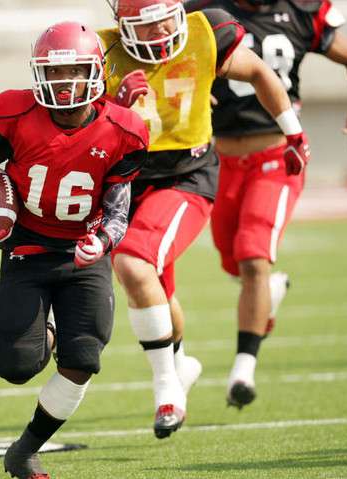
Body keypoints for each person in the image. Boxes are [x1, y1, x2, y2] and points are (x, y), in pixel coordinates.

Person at [99, 0, 311, 438]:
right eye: (146, 24)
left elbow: (258, 73)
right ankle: (181, 363)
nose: (159, 32)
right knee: (153, 288)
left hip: (187, 176)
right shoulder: (102, 52)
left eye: (164, 19)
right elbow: (82, 130)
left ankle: (167, 389)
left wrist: (293, 131)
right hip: (130, 184)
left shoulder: (204, 31)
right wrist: (113, 107)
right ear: (122, 24)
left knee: (134, 264)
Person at [0, 21, 148, 479]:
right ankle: (49, 333)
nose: (65, 84)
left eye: (75, 72)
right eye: (55, 74)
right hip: (28, 246)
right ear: (39, 74)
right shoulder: (13, 115)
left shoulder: (124, 130)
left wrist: (101, 240)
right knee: (18, 367)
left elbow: (118, 211)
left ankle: (24, 450)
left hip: (83, 252)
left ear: (96, 72)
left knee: (84, 359)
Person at [184, 0, 347, 408]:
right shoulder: (205, 10)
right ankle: (268, 290)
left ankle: (243, 368)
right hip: (218, 159)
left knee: (253, 257)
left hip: (276, 155)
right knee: (233, 260)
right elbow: (168, 55)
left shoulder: (302, 10)